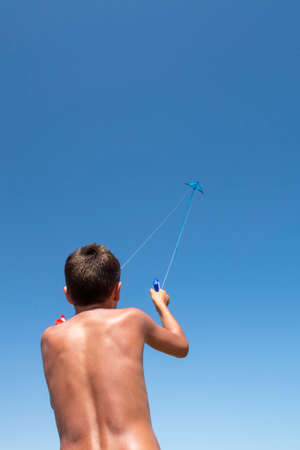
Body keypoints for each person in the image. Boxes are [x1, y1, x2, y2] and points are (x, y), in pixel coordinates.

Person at [41, 243, 189, 450]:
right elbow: (181, 346)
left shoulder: (49, 338)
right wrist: (161, 304)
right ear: (117, 291)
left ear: (68, 295)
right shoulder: (133, 319)